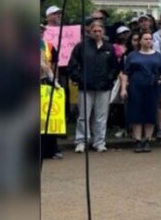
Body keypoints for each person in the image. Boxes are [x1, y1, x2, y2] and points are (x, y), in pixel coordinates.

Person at [68, 20, 120, 153]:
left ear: (103, 32)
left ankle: (99, 142)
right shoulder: (81, 47)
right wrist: (80, 79)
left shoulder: (109, 48)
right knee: (83, 115)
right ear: (89, 32)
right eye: (94, 31)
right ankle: (81, 141)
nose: (97, 33)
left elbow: (114, 67)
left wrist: (109, 79)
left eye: (99, 31)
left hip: (103, 87)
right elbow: (73, 65)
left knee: (101, 116)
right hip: (86, 86)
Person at [119, 31, 161, 152]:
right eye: (145, 39)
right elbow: (126, 73)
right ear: (140, 41)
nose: (148, 41)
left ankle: (147, 140)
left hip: (152, 87)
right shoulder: (132, 55)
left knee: (150, 113)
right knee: (136, 113)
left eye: (150, 39)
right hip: (135, 87)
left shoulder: (158, 56)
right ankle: (138, 140)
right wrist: (124, 88)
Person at [40, 24, 63, 160]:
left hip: (45, 84)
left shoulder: (47, 46)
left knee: (48, 117)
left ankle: (50, 149)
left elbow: (50, 66)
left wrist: (55, 81)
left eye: (41, 30)